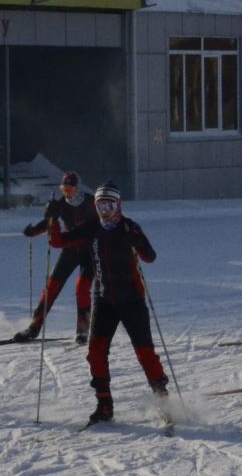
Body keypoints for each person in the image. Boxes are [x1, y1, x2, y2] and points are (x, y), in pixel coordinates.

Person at [49, 182, 169, 425]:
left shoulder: (128, 226)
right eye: (100, 205)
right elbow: (59, 242)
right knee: (95, 353)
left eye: (109, 204)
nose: (104, 210)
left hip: (132, 301)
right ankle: (104, 405)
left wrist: (138, 241)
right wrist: (52, 219)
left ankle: (163, 401)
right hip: (104, 301)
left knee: (145, 353)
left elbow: (150, 257)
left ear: (118, 205)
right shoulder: (93, 227)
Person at [16, 171, 97, 342]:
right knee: (51, 287)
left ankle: (83, 330)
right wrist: (34, 231)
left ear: (76, 188)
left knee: (82, 289)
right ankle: (33, 328)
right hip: (69, 250)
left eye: (70, 189)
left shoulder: (90, 202)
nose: (67, 192)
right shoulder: (61, 203)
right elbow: (50, 222)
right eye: (64, 188)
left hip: (89, 252)